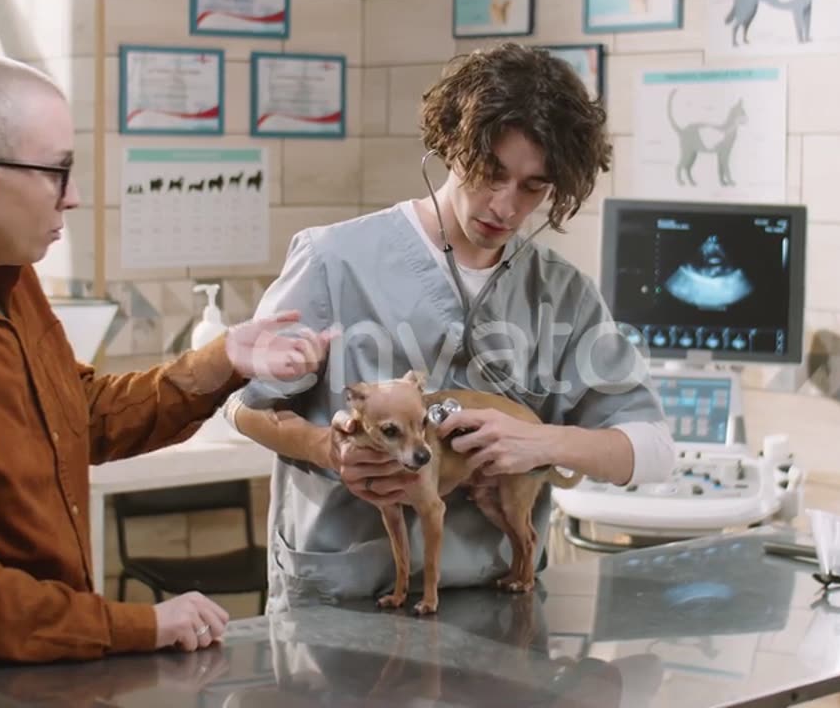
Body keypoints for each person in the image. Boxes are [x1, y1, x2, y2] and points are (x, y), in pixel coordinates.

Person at [0, 52, 330, 708]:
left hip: (38, 668)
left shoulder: (7, 282)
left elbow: (79, 413)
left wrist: (223, 360)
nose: (72, 195)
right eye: (57, 172)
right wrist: (137, 623)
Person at [225, 42, 674, 613]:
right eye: (491, 172)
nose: (506, 206)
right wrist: (326, 448)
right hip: (344, 604)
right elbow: (242, 406)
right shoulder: (334, 261)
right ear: (450, 144)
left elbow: (653, 449)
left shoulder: (562, 296)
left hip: (498, 610)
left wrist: (538, 441)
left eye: (533, 187)